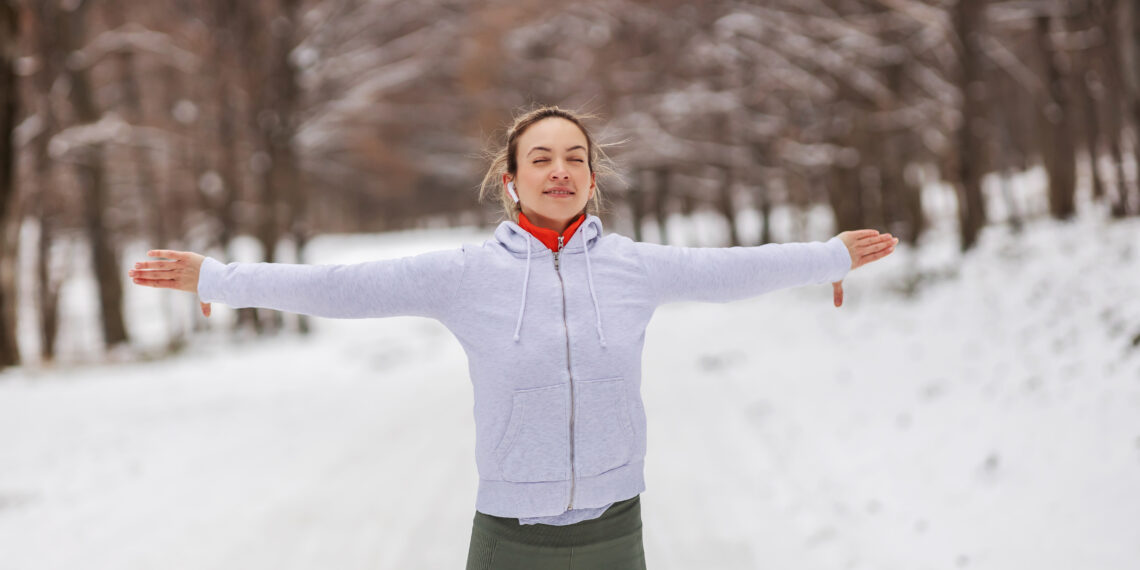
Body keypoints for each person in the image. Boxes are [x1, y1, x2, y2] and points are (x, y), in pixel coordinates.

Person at [129, 105, 897, 569]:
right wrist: (219, 279)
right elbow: (338, 287)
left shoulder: (635, 268)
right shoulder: (467, 275)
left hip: (614, 529)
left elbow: (732, 269)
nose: (559, 171)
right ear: (512, 182)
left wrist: (828, 257)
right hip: (509, 540)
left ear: (593, 181)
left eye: (575, 160)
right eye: (541, 159)